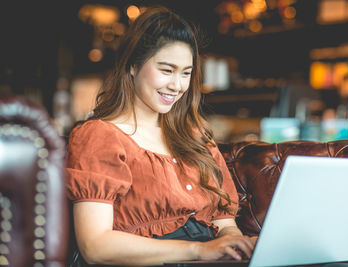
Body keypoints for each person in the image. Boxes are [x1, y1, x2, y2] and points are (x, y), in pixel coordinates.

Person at [66, 6, 256, 266]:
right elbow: (95, 246)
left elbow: (225, 225)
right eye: (167, 70)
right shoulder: (99, 136)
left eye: (186, 73)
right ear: (133, 66)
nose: (177, 85)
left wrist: (234, 245)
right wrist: (199, 251)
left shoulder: (196, 138)